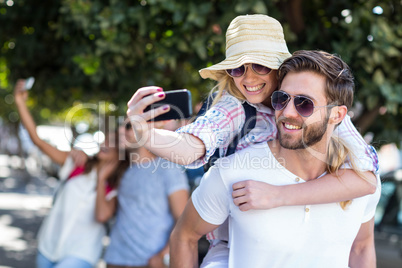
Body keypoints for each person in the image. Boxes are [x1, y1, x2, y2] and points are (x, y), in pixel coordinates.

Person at [126, 14, 378, 266]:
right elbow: (190, 148)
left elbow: (367, 178)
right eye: (238, 68)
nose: (248, 78)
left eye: (260, 66)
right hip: (229, 241)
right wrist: (144, 133)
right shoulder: (235, 107)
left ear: (281, 68)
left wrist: (277, 195)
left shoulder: (324, 109)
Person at [169, 50, 381, 268]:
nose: (287, 112)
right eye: (281, 99)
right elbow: (183, 237)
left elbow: (361, 247)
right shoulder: (233, 173)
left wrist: (278, 195)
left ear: (337, 115)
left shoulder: (360, 176)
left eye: (304, 103)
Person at [13, 79, 129, 268]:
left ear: (123, 151)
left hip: (81, 254)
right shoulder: (78, 163)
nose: (104, 143)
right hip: (47, 246)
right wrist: (20, 102)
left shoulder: (117, 186)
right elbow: (39, 142)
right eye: (105, 139)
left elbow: (102, 216)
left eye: (113, 141)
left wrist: (101, 180)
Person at [101, 118, 190, 268]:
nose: (122, 131)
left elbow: (184, 221)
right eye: (121, 127)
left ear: (148, 130)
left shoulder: (168, 168)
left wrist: (163, 255)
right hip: (115, 258)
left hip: (150, 262)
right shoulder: (122, 169)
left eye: (129, 126)